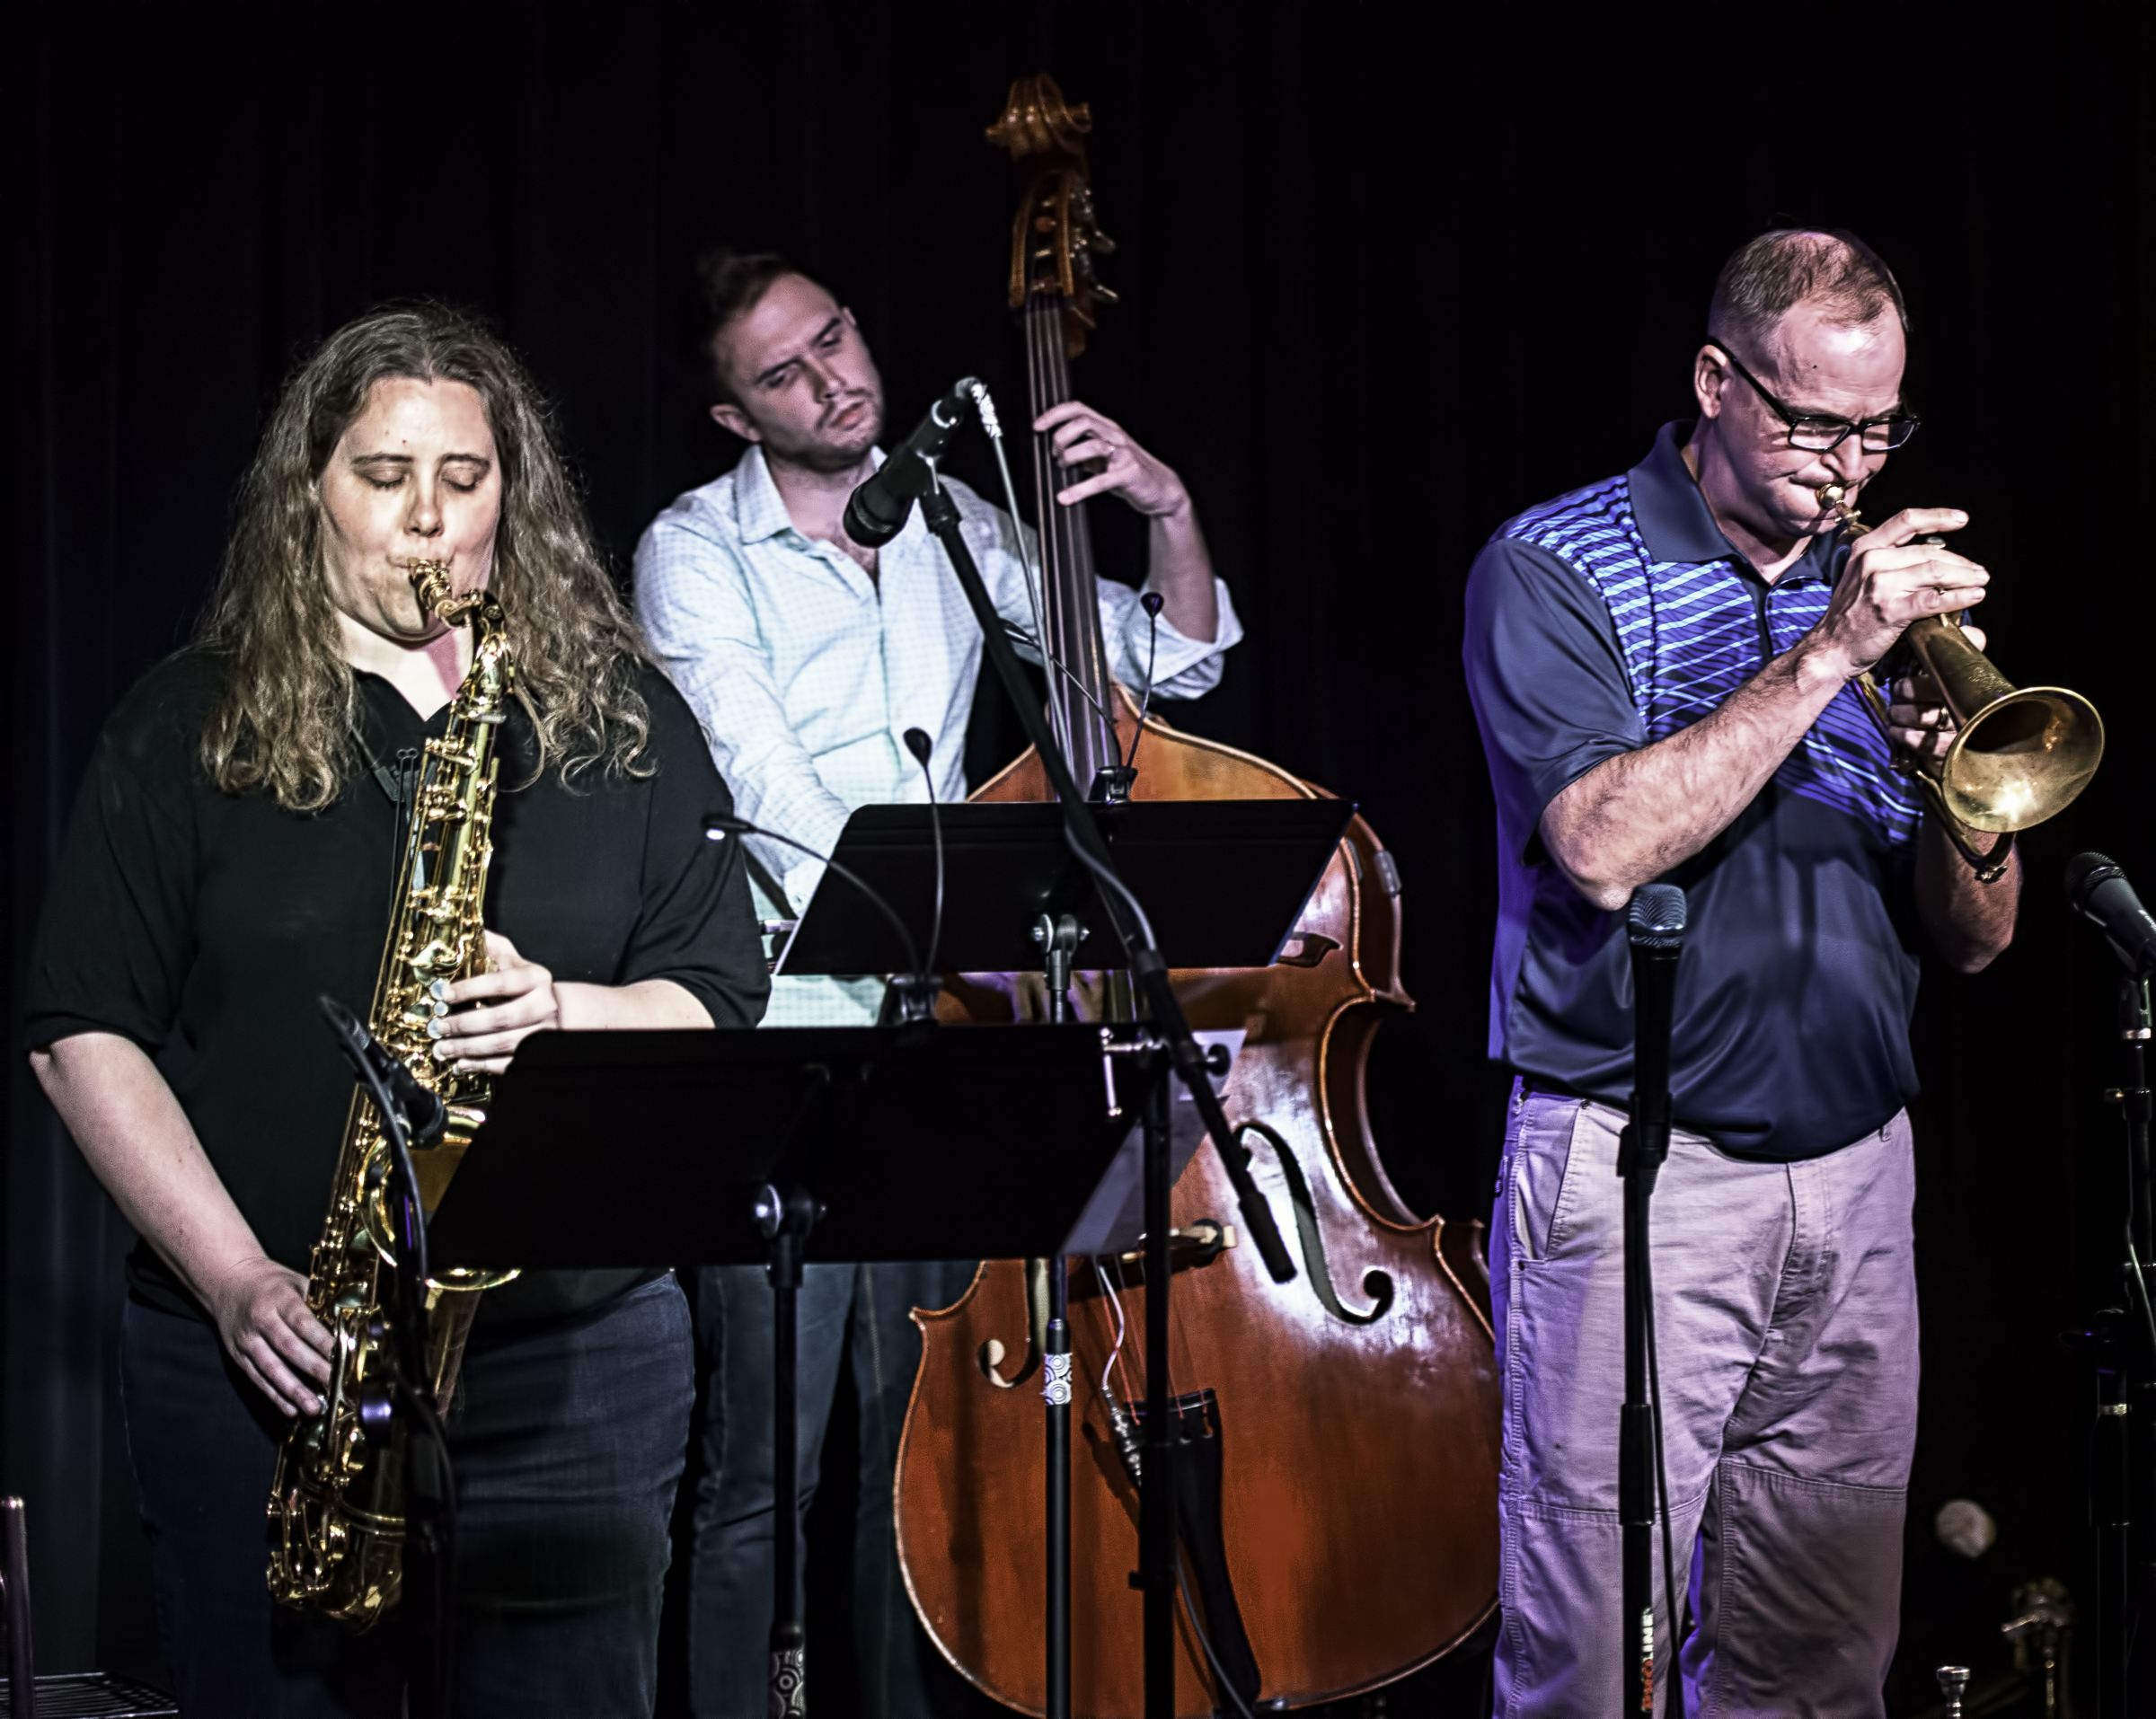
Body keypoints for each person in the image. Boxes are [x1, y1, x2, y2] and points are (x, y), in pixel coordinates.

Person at [24, 304, 769, 1717]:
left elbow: (722, 997)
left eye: (465, 477)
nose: (427, 519)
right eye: (383, 475)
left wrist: (571, 1010)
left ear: (514, 494)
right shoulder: (189, 723)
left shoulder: (617, 718)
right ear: (312, 490)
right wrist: (239, 1281)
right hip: (273, 1362)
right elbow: (81, 1029)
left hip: (577, 1362)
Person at [632, 250, 1241, 1717]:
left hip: (942, 1036)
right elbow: (778, 803)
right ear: (732, 415)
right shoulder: (695, 550)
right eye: (786, 372)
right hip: (790, 1038)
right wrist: (968, 922)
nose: (835, 377)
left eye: (836, 335)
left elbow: (1164, 669)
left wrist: (1164, 510)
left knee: (917, 1465)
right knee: (758, 1477)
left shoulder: (954, 520)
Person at [1462, 229, 2018, 1715]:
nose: (1852, 462)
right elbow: (1594, 843)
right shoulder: (1556, 565)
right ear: (1714, 382)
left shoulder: (1891, 604)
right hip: (1639, 1175)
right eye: (1816, 421)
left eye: (1881, 424)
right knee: (1592, 1660)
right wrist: (1828, 656)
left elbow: (1981, 940)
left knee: (1825, 1668)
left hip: (1856, 1178)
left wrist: (1964, 784)